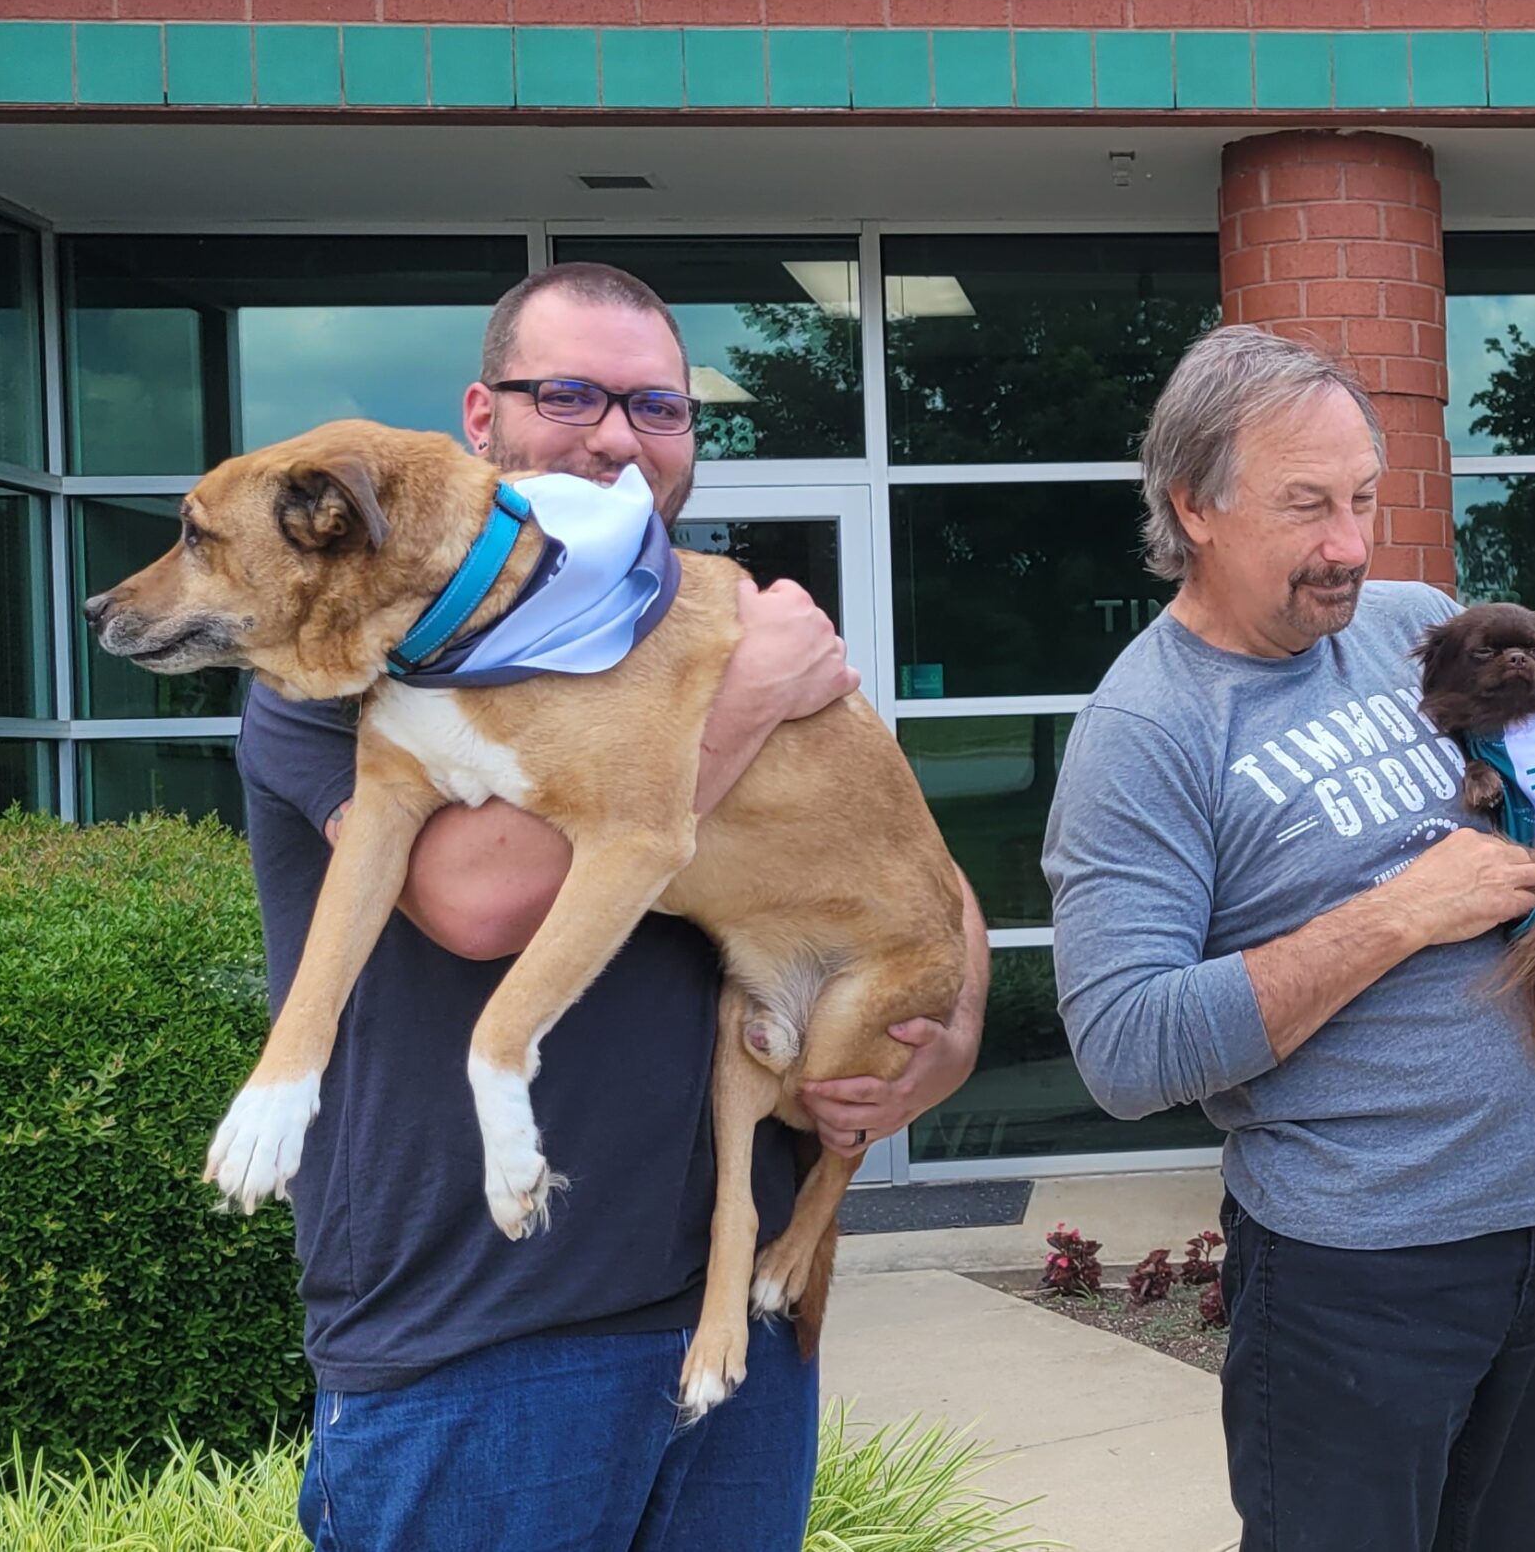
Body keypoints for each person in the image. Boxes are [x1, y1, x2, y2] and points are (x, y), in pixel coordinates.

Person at [236, 262, 990, 1552]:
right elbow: (477, 902)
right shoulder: (343, 653)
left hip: (719, 1327)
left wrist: (942, 1047)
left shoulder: (703, 618)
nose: (614, 436)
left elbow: (922, 875)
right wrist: (746, 699)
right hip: (479, 1340)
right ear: (482, 420)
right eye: (570, 394)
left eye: (658, 407)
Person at [1041, 325, 1535, 1552]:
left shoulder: (1416, 625)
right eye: (1306, 506)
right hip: (1356, 1277)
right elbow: (1125, 1048)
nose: (1350, 546)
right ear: (1194, 505)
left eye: (1362, 497)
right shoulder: (1144, 729)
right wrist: (1400, 914)